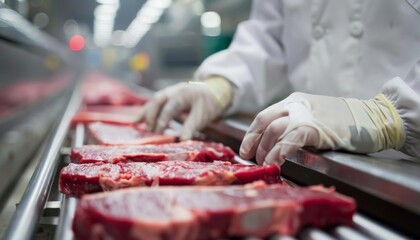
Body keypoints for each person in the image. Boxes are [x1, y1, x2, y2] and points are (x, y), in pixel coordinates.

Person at [138, 0, 420, 166]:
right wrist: (221, 84)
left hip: (404, 168)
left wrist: (390, 116)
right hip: (307, 155)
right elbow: (269, 35)